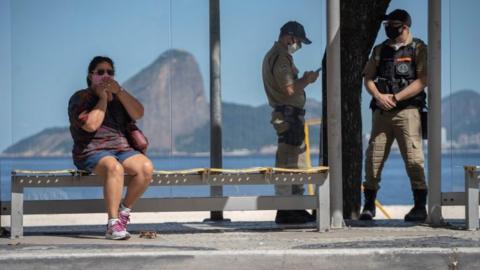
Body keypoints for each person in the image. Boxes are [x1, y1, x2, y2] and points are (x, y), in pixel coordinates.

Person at [68, 56, 154, 239]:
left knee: (146, 168)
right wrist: (103, 99)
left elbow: (138, 113)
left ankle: (123, 214)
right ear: (91, 76)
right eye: (100, 72)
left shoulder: (119, 97)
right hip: (91, 151)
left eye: (110, 72)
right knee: (115, 167)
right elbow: (91, 125)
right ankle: (112, 224)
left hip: (121, 148)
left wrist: (120, 92)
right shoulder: (80, 97)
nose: (106, 75)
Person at [361, 9, 428, 222]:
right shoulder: (380, 50)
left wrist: (396, 98)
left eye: (392, 24)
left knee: (413, 158)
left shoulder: (418, 48)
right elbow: (368, 78)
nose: (388, 28)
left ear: (405, 27)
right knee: (373, 158)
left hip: (408, 112)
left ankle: (419, 206)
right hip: (382, 112)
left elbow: (423, 80)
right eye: (386, 25)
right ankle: (369, 206)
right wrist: (378, 96)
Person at [262, 21, 319, 224]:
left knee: (297, 163)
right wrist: (308, 79)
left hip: (290, 115)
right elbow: (288, 89)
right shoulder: (281, 58)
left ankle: (295, 207)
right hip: (288, 116)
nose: (299, 46)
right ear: (289, 37)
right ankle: (287, 209)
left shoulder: (278, 56)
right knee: (289, 163)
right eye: (299, 42)